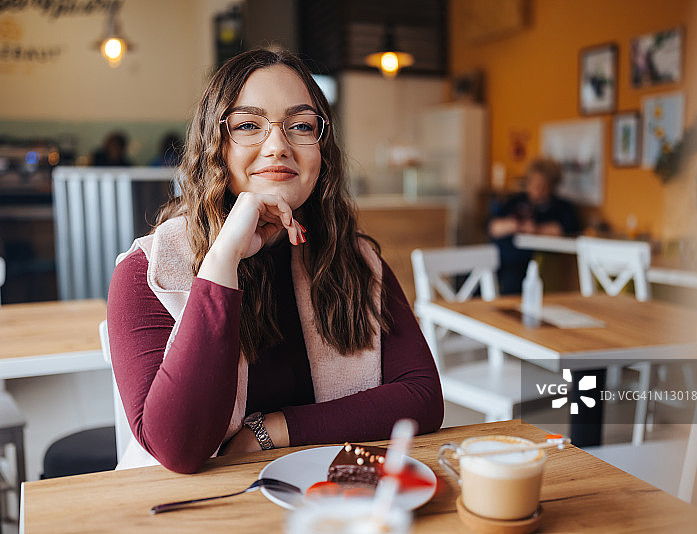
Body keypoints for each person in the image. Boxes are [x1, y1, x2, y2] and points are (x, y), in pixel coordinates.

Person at [106, 48, 444, 473]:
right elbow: (178, 448)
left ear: (322, 151)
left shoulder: (357, 260)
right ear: (216, 147)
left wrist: (271, 431)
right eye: (248, 125)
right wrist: (222, 260)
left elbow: (422, 397)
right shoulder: (148, 269)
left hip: (325, 497)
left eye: (300, 126)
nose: (277, 146)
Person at [487, 158, 580, 294]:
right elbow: (493, 227)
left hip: (527, 261)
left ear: (552, 186)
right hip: (498, 256)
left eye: (542, 185)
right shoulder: (516, 201)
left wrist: (536, 229)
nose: (537, 189)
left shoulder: (561, 207)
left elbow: (562, 229)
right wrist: (515, 225)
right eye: (533, 183)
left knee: (512, 280)